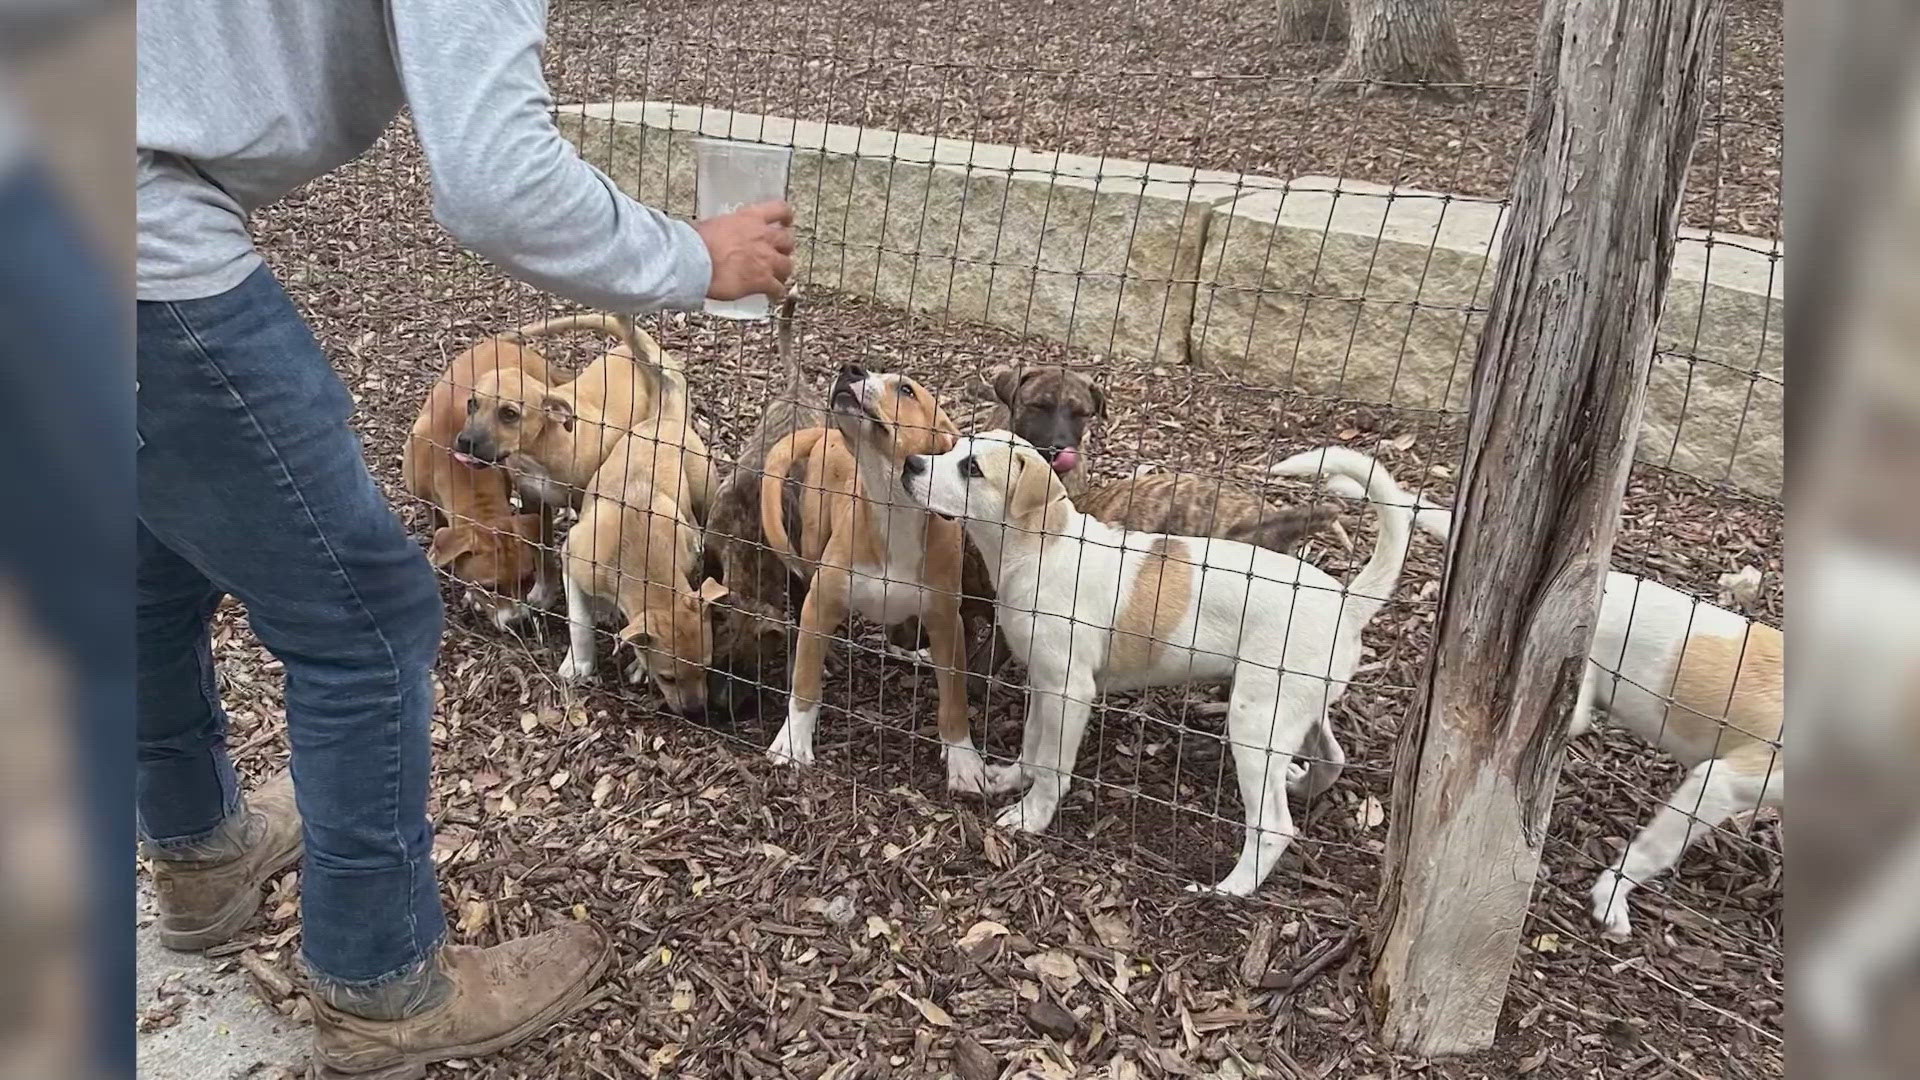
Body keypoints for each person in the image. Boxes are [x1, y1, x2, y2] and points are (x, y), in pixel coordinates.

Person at [136, 3, 793, 1076]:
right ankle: (380, 984)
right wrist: (691, 257)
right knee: (367, 617)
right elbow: (494, 182)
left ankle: (201, 853)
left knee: (148, 565)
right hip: (123, 231)